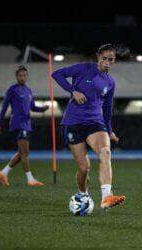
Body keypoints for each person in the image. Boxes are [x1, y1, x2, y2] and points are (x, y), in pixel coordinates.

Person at [52, 44, 126, 209]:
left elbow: (107, 109)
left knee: (105, 152)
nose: (107, 62)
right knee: (84, 168)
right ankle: (83, 194)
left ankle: (107, 196)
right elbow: (56, 74)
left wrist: (109, 129)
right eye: (104, 58)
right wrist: (73, 91)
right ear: (98, 56)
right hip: (73, 122)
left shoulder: (110, 82)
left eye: (111, 60)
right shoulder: (83, 68)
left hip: (95, 122)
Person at [0, 65, 49, 187]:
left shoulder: (28, 90)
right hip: (18, 123)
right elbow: (4, 107)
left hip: (27, 124)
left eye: (25, 75)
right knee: (24, 152)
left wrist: (44, 108)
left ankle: (3, 173)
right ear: (16, 76)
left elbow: (33, 107)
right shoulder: (12, 90)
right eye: (20, 75)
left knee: (23, 153)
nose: (23, 77)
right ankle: (30, 179)